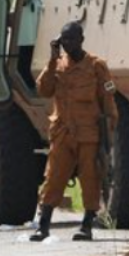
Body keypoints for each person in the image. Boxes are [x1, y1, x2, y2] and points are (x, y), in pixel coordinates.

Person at [30, 22, 118, 242]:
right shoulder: (57, 66)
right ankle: (43, 225)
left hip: (89, 134)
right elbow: (43, 90)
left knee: (90, 178)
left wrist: (109, 134)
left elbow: (108, 103)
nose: (67, 44)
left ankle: (87, 224)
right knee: (53, 177)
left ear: (81, 40)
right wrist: (52, 58)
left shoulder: (97, 66)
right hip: (62, 132)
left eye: (71, 39)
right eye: (64, 40)